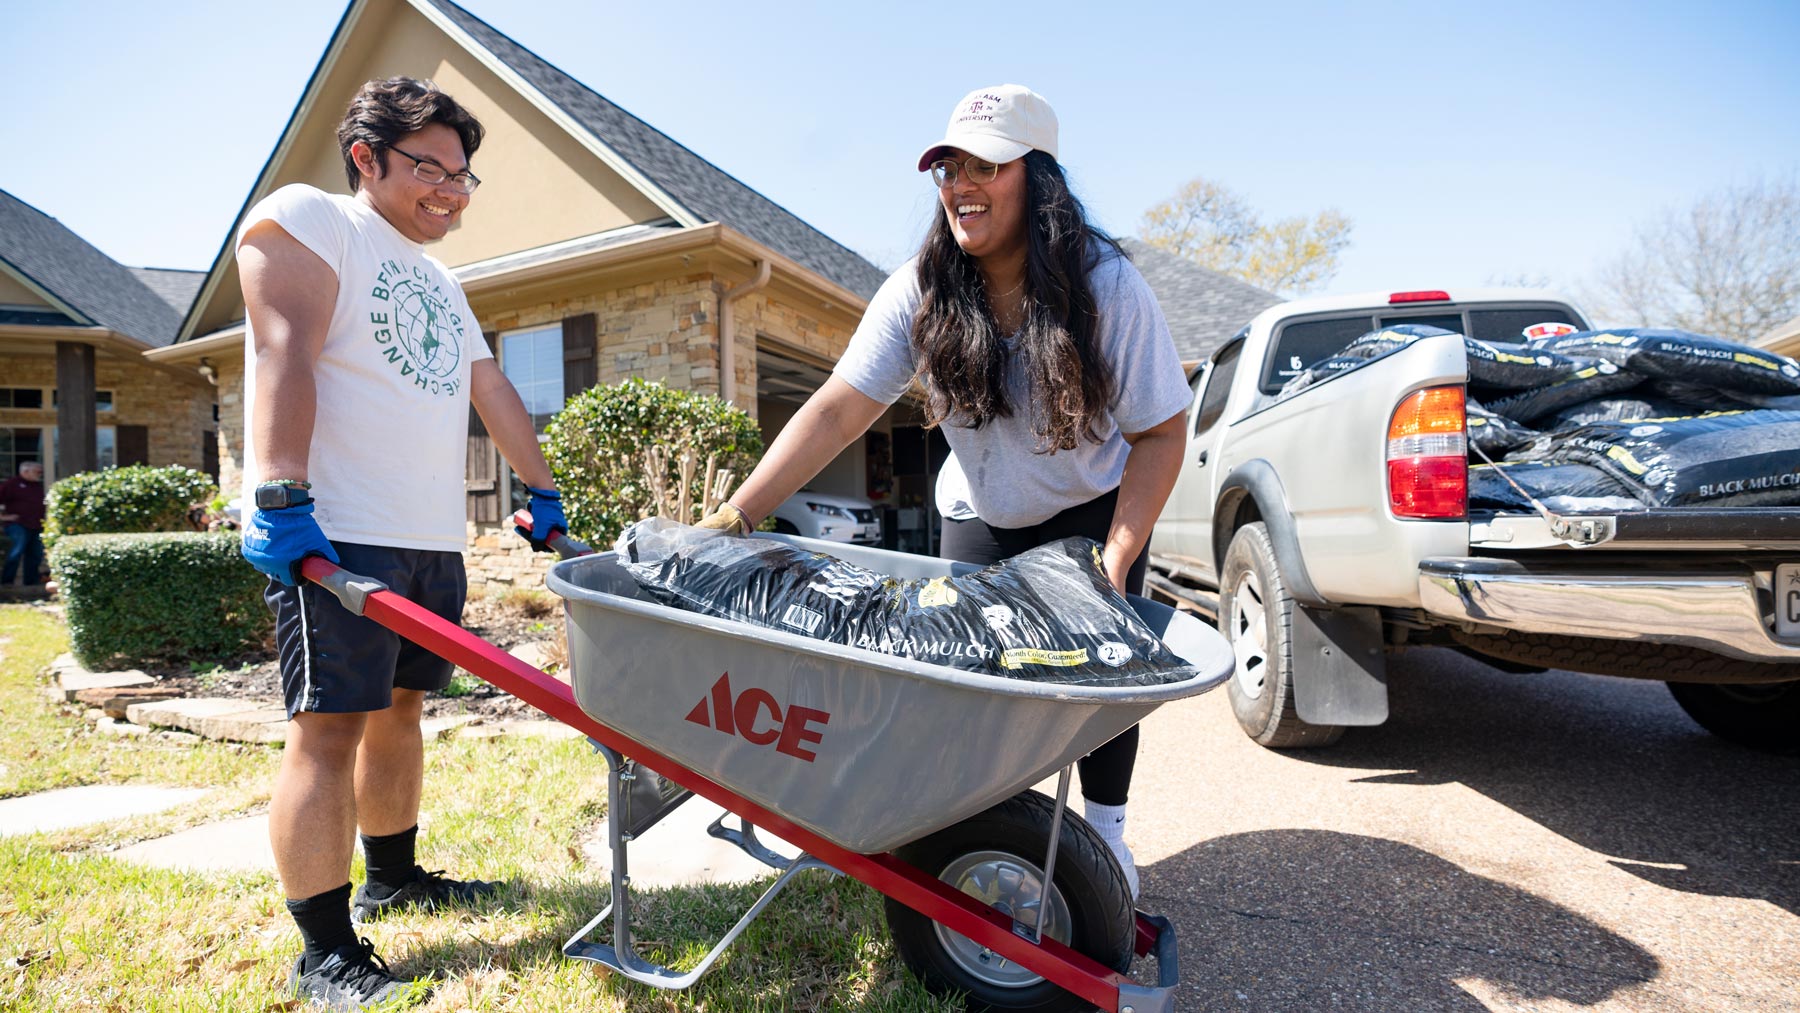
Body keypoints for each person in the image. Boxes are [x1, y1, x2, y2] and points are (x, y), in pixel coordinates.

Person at [700, 85, 1190, 897]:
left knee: (1104, 684)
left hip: (1090, 506)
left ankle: (1104, 842)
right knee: (970, 680)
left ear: (1038, 179)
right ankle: (988, 835)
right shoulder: (921, 289)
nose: (961, 183)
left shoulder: (1107, 288)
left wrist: (1116, 560)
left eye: (985, 165)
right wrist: (739, 511)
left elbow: (1163, 432)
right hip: (981, 510)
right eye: (947, 167)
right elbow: (836, 410)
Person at [237, 77, 567, 1010]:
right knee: (328, 729)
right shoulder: (311, 219)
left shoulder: (440, 277)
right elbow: (281, 350)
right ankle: (324, 949)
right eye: (430, 168)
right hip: (334, 533)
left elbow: (490, 389)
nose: (452, 192)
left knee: (401, 714)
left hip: (427, 540)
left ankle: (394, 875)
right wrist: (281, 495)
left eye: (464, 175)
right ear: (365, 159)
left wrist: (541, 489)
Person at [0, 460, 46, 587]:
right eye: (38, 471)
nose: (40, 474)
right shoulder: (12, 484)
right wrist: (4, 517)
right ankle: (7, 582)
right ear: (25, 471)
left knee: (35, 554)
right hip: (18, 525)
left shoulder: (36, 486)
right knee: (16, 551)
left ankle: (31, 583)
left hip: (36, 525)